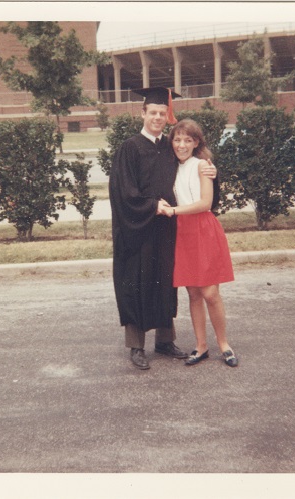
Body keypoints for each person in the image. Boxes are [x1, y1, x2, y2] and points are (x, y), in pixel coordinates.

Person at [109, 87, 216, 370]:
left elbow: (193, 165)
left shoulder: (170, 148)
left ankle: (165, 341)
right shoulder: (130, 148)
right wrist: (152, 206)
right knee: (136, 282)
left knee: (165, 281)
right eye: (152, 112)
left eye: (162, 113)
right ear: (142, 113)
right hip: (137, 229)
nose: (157, 117)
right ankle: (136, 345)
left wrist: (210, 169)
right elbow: (123, 191)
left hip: (167, 228)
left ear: (167, 116)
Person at [166, 119, 238, 367]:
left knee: (210, 292)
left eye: (188, 140)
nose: (182, 145)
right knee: (193, 292)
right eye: (177, 139)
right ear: (171, 142)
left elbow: (206, 203)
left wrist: (174, 211)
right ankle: (201, 346)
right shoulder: (169, 166)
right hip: (182, 232)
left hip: (202, 228)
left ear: (196, 142)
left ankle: (224, 345)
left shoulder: (202, 165)